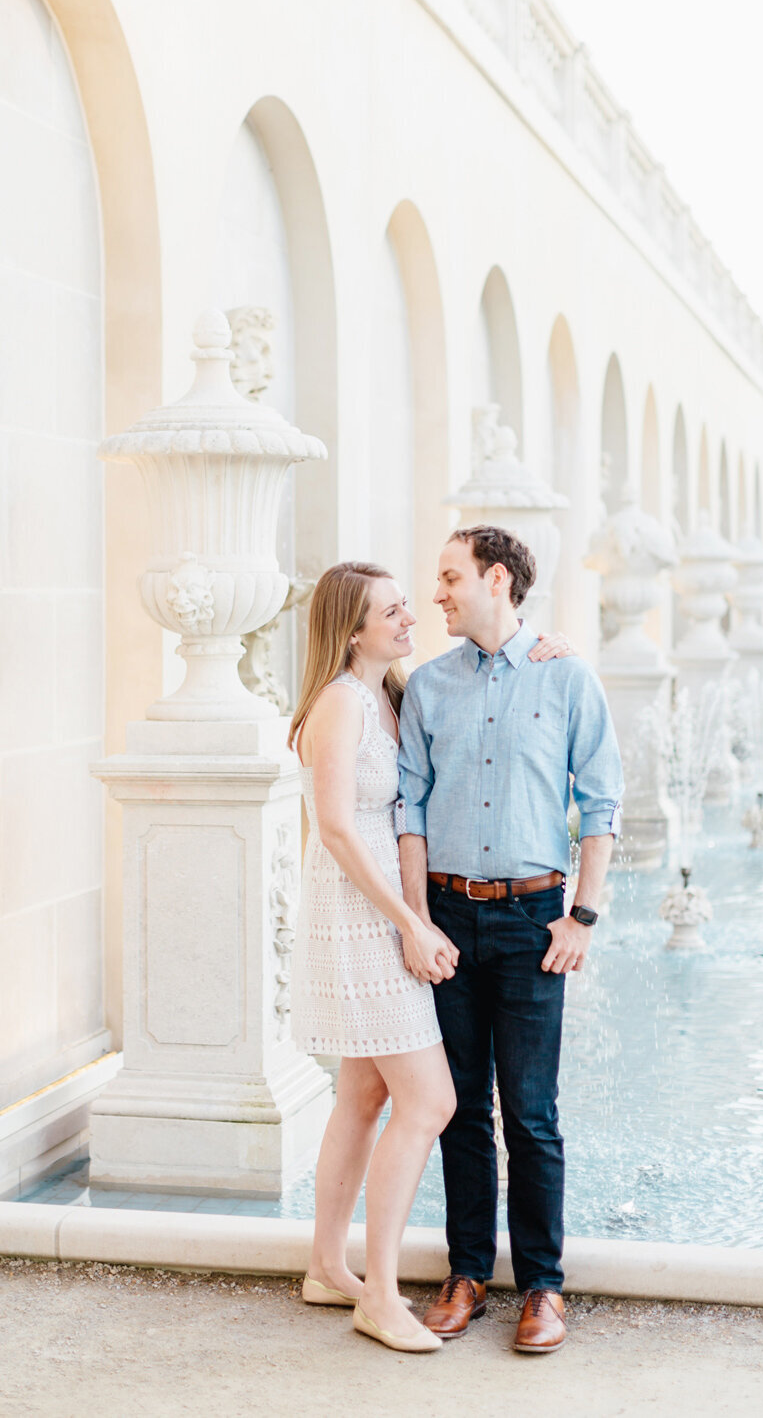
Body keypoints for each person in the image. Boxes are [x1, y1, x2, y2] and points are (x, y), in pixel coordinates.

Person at [288, 560, 572, 1354]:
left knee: (362, 1095)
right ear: (351, 627)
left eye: (411, 605)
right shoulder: (341, 705)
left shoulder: (392, 694)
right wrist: (410, 922)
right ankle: (379, 1295)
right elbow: (338, 829)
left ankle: (323, 1264)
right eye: (392, 610)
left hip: (387, 911)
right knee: (433, 1103)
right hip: (363, 914)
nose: (411, 616)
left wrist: (550, 644)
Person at [396, 526, 624, 1355]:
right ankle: (465, 1275)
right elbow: (408, 810)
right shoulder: (426, 686)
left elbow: (601, 806)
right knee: (458, 1105)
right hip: (449, 921)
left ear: (498, 580)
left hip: (536, 920)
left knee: (530, 1112)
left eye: (451, 576)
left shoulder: (566, 677)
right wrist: (418, 921)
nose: (438, 593)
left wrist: (583, 918)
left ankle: (542, 1287)